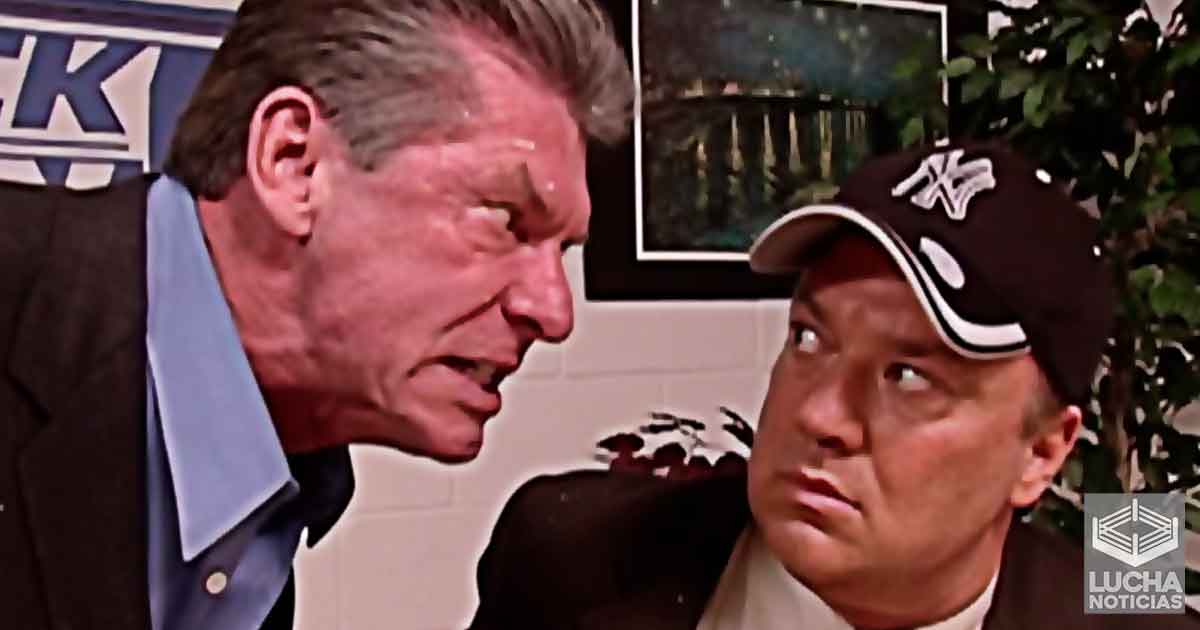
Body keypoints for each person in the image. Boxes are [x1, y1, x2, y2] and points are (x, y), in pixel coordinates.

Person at [0, 1, 632, 629]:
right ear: (294, 163)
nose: (554, 312)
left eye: (563, 251)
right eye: (504, 219)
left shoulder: (281, 472)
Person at [468, 141, 1200, 629]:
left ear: (1041, 452)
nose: (820, 415)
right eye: (810, 339)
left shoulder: (1139, 617)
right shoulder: (569, 552)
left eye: (908, 376)